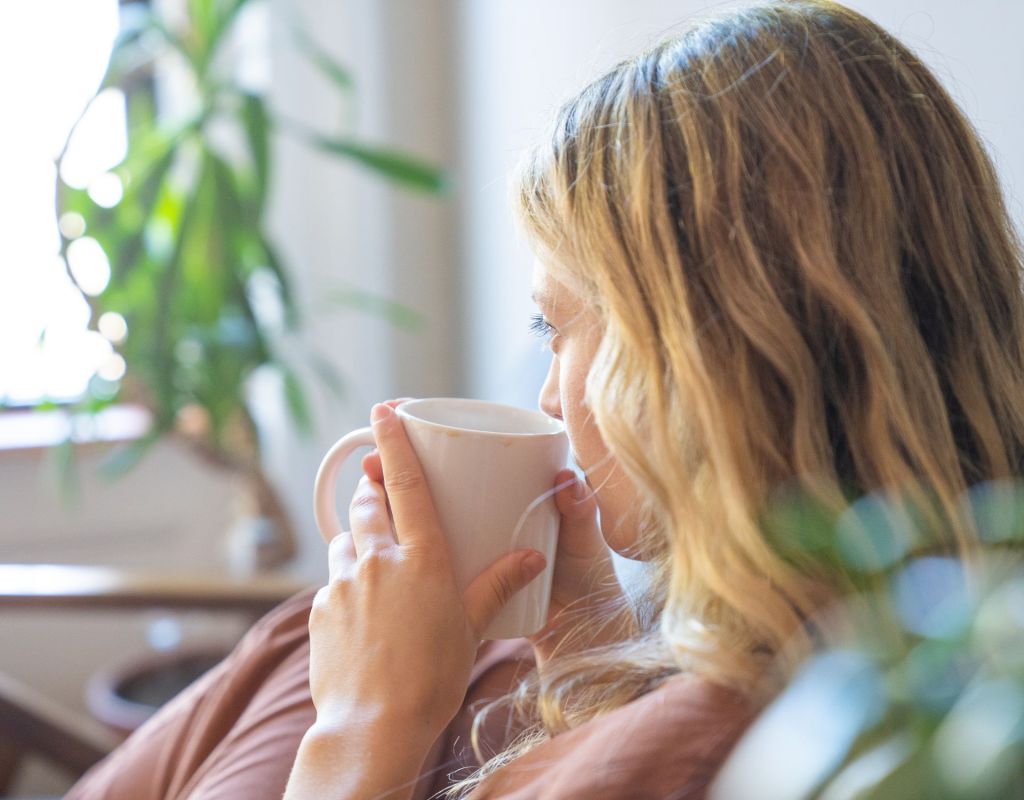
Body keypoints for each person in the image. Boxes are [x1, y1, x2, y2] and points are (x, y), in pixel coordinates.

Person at [70, 0, 1024, 797]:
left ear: (710, 351)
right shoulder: (925, 655)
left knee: (304, 649)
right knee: (329, 644)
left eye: (561, 329)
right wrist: (598, 657)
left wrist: (363, 729)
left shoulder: (700, 745)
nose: (550, 398)